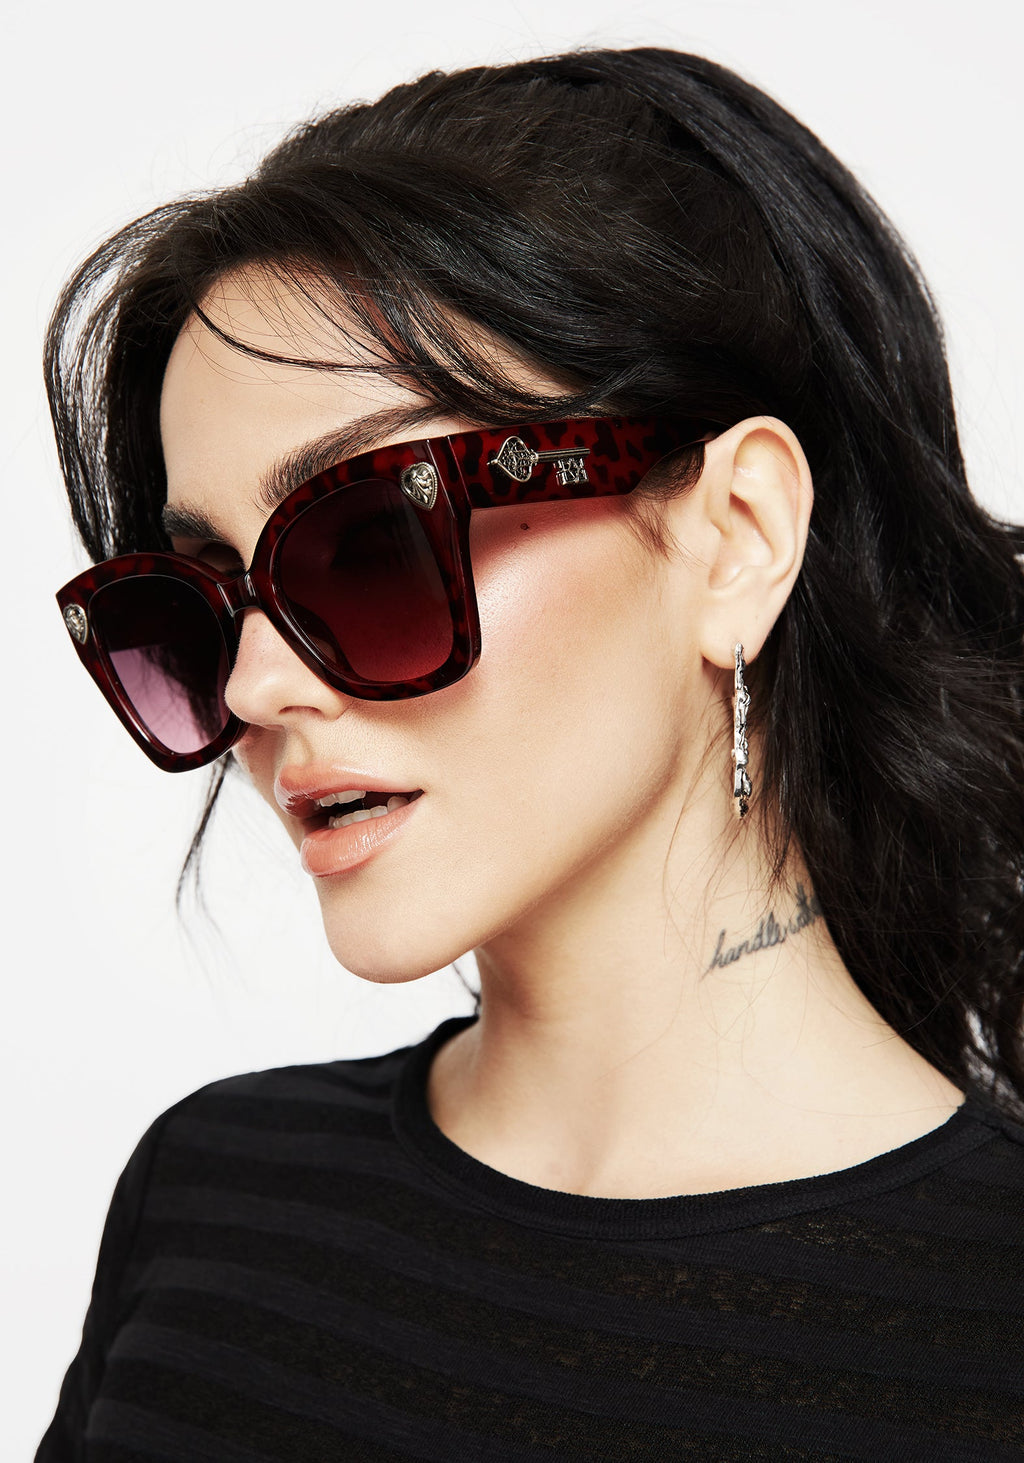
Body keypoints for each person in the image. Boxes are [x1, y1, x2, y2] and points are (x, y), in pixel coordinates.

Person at [35, 45, 1024, 1461]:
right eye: (202, 599)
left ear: (736, 538)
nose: (253, 684)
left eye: (370, 541)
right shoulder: (210, 1202)